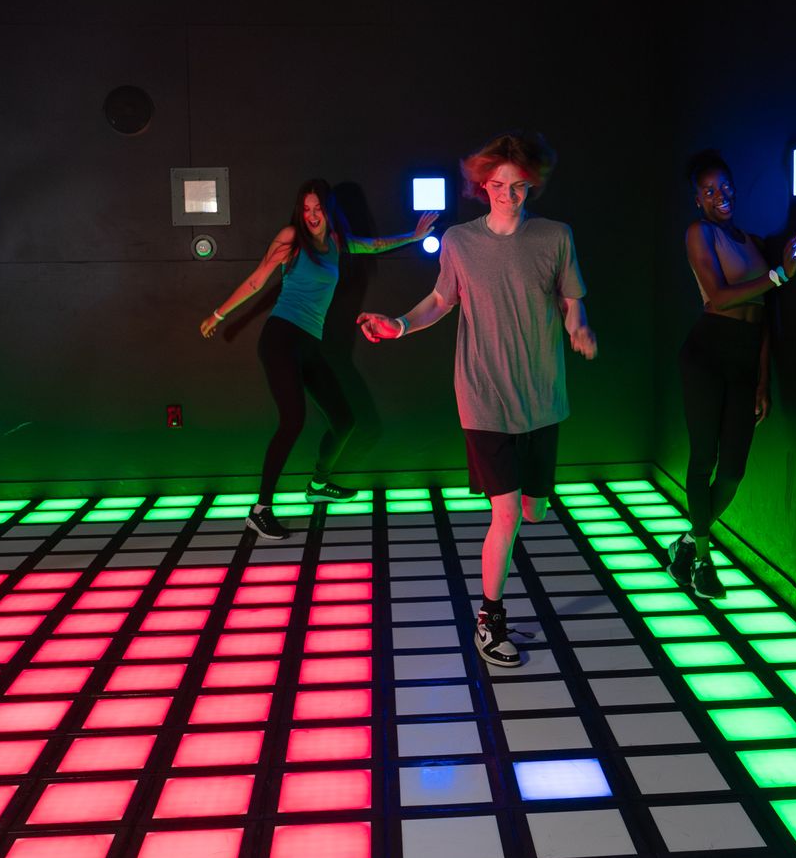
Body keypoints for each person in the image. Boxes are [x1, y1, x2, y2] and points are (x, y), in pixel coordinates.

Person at [357, 132, 596, 666]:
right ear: (482, 186)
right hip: (483, 395)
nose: (507, 195)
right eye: (497, 186)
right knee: (506, 514)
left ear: (529, 186)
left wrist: (579, 327)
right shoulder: (461, 242)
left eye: (517, 187)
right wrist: (397, 324)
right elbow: (442, 299)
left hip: (542, 398)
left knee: (533, 511)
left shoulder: (556, 236)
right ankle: (490, 620)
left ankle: (502, 580)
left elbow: (572, 300)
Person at [200, 179, 435, 540]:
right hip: (281, 338)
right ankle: (260, 510)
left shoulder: (337, 243)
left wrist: (414, 236)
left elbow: (375, 246)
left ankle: (318, 485)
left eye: (318, 208)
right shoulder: (291, 238)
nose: (311, 215)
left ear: (328, 210)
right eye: (306, 209)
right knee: (292, 420)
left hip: (309, 343)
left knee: (344, 420)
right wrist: (219, 314)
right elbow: (256, 280)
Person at [669, 150, 796, 598]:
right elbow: (717, 298)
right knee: (704, 455)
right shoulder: (699, 232)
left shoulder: (752, 241)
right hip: (707, 353)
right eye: (709, 190)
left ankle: (688, 540)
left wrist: (763, 380)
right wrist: (780, 275)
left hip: (745, 359)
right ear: (697, 199)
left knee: (733, 470)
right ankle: (704, 561)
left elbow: (763, 318)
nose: (720, 196)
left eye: (725, 186)